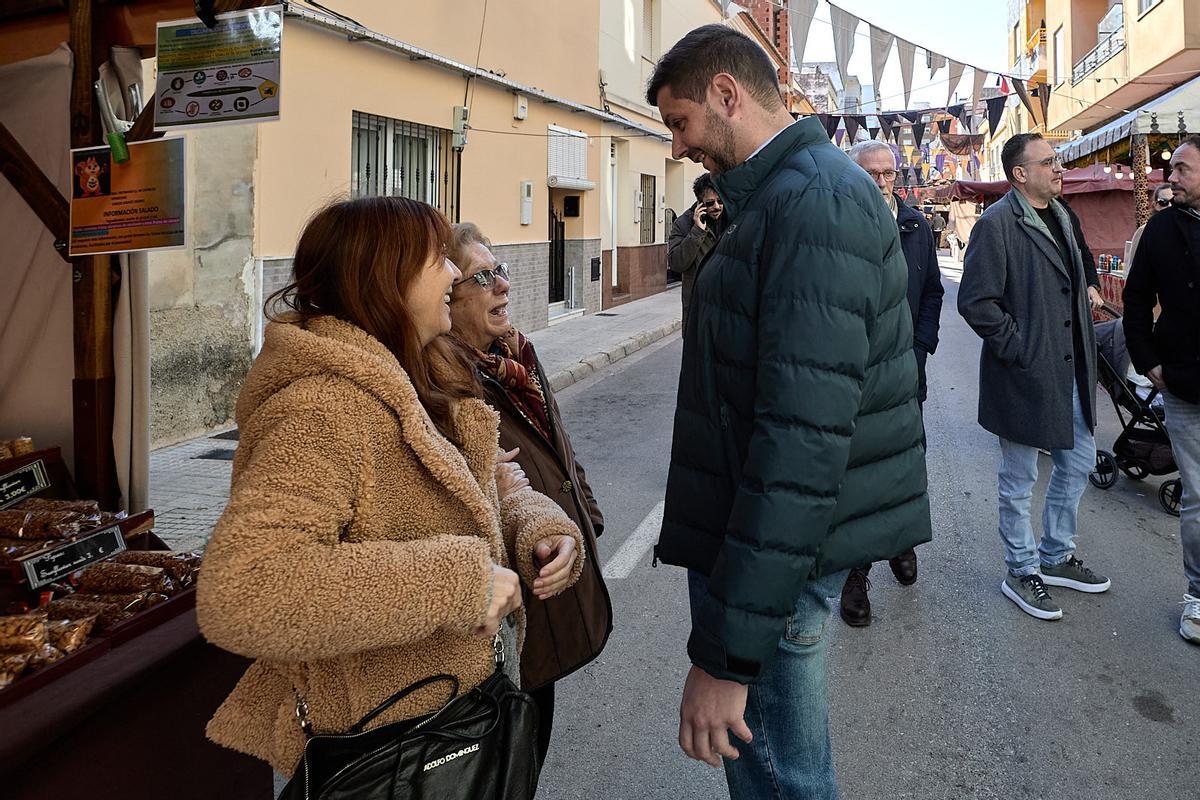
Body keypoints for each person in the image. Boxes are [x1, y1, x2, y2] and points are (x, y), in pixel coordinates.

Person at [195, 196, 586, 778]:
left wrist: (537, 524)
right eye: (439, 261)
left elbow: (467, 496)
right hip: (388, 751)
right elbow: (244, 590)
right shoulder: (321, 407)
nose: (455, 275)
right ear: (387, 278)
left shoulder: (419, 372)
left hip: (453, 719)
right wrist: (462, 581)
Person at [647, 25, 932, 798]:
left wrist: (728, 655)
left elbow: (799, 444)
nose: (677, 149)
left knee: (783, 782)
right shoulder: (776, 195)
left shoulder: (813, 201)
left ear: (726, 94)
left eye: (680, 123)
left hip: (770, 566)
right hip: (755, 550)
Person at [446, 221, 614, 760]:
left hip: (542, 574)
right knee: (505, 759)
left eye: (501, 271)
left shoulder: (515, 358)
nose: (503, 286)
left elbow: (556, 444)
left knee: (532, 735)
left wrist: (585, 511)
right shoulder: (446, 382)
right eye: (482, 277)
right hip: (501, 612)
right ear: (444, 297)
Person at [958, 133, 1111, 622]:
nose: (1058, 167)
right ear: (1019, 173)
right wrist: (1019, 347)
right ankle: (1021, 570)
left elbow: (1079, 264)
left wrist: (1088, 285)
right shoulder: (997, 224)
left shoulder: (1063, 215)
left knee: (1079, 460)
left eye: (1057, 160)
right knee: (1019, 478)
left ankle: (1056, 554)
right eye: (1048, 162)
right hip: (1025, 373)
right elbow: (976, 302)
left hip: (1071, 367)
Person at [838, 140, 944, 627]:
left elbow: (933, 295)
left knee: (904, 463)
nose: (881, 183)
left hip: (905, 372)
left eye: (887, 174)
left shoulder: (916, 225)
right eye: (870, 174)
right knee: (856, 473)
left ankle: (901, 540)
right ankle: (855, 574)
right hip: (855, 374)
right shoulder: (837, 224)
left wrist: (919, 350)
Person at [1122, 137, 1200, 644]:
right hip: (1185, 383)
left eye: (1181, 168)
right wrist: (1149, 363)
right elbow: (1134, 301)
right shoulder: (1160, 230)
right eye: (1170, 167)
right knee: (1198, 496)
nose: (1169, 175)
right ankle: (1199, 596)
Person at [667, 172, 727, 328]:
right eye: (710, 203)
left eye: (720, 201)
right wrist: (697, 232)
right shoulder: (683, 224)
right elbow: (676, 263)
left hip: (726, 305)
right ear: (700, 203)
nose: (716, 207)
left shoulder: (732, 219)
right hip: (698, 307)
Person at [1127, 183, 1175, 266]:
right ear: (1155, 205)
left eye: (1173, 202)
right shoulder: (1144, 230)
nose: (1169, 206)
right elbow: (1132, 266)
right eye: (1163, 202)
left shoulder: (1185, 230)